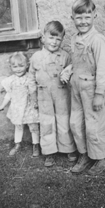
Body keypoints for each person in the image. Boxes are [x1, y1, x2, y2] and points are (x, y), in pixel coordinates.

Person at [61, 0, 105, 175]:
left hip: (91, 88)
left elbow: (103, 69)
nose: (83, 21)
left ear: (94, 16)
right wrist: (68, 70)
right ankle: (85, 155)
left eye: (87, 17)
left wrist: (99, 93)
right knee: (75, 123)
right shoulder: (74, 38)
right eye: (79, 17)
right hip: (75, 87)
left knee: (93, 125)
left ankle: (102, 157)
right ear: (72, 18)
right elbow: (77, 62)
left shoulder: (97, 40)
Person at [28, 21, 76, 167]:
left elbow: (71, 72)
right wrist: (33, 97)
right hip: (43, 96)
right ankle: (49, 152)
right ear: (43, 37)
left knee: (63, 121)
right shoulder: (36, 57)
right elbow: (31, 79)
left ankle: (68, 148)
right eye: (51, 37)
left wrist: (68, 73)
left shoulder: (65, 56)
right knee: (47, 122)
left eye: (58, 39)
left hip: (61, 94)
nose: (54, 42)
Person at [0, 52, 40, 157]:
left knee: (33, 126)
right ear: (10, 67)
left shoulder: (30, 77)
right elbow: (9, 95)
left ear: (27, 65)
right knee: (18, 126)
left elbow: (35, 91)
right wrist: (2, 105)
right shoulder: (11, 80)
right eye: (15, 67)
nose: (18, 69)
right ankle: (17, 144)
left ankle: (36, 145)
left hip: (29, 106)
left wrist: (36, 102)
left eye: (21, 66)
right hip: (17, 107)